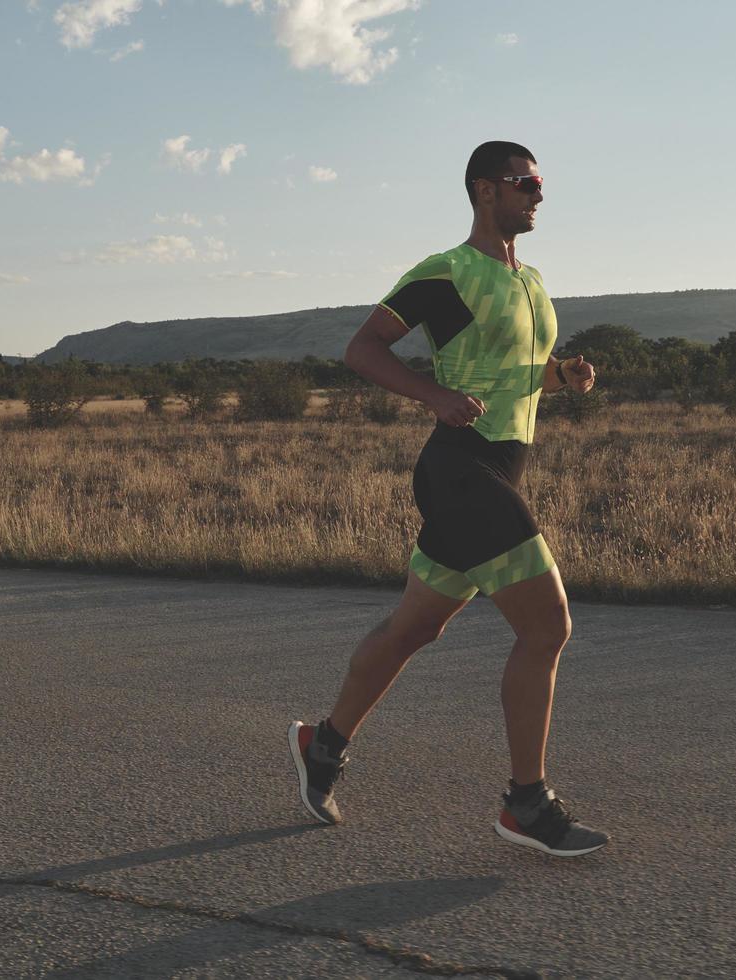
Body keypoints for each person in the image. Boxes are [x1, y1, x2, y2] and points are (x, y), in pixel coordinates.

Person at [289, 141, 609, 858]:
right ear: (484, 190)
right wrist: (431, 394)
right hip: (462, 471)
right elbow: (363, 348)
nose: (537, 194)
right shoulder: (447, 272)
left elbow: (508, 375)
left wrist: (561, 378)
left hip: (497, 467)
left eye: (540, 183)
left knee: (413, 630)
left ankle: (323, 743)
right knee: (548, 627)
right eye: (525, 182)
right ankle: (525, 805)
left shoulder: (531, 282)